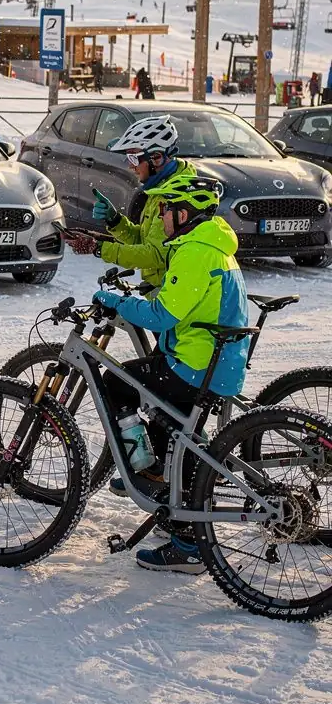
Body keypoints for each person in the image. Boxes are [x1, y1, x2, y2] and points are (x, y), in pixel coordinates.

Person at [93, 177, 248, 574]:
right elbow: (179, 302)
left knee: (116, 381)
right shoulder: (210, 246)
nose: (159, 217)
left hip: (195, 365)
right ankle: (176, 510)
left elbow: (163, 315)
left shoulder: (195, 252)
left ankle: (149, 477)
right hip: (213, 361)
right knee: (174, 429)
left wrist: (116, 301)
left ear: (184, 214)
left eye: (164, 210)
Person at [66, 115, 195, 287]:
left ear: (156, 157)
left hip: (175, 295)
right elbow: (145, 240)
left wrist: (98, 248)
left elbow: (155, 255)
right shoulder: (161, 189)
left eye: (134, 158)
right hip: (162, 290)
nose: (130, 166)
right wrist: (116, 221)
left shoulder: (176, 196)